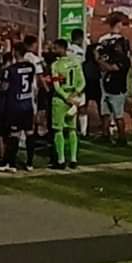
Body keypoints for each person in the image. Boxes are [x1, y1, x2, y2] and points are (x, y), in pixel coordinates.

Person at [1, 42, 37, 172]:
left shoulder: (10, 69)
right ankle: (29, 163)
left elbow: (4, 87)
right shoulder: (31, 66)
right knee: (29, 133)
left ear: (15, 51)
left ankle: (11, 164)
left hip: (15, 105)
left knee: (14, 134)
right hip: (27, 104)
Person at [50, 39, 85, 169]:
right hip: (73, 99)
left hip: (60, 100)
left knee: (58, 130)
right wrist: (75, 95)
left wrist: (66, 97)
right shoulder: (76, 62)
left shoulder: (55, 65)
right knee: (72, 129)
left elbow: (56, 87)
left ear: (61, 48)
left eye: (55, 48)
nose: (53, 51)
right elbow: (82, 83)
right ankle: (74, 159)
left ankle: (61, 160)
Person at [97, 37, 131, 146]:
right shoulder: (114, 56)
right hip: (107, 89)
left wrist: (99, 61)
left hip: (117, 92)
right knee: (105, 114)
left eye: (118, 46)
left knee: (118, 116)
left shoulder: (124, 60)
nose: (115, 47)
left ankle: (122, 138)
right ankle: (105, 135)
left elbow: (112, 68)